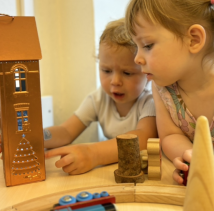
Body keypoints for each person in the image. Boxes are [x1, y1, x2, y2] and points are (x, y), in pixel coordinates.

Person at [125, 0, 214, 191]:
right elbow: (171, 136)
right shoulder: (164, 89)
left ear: (194, 39)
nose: (137, 58)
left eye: (147, 45)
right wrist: (190, 158)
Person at [44, 18, 157, 175]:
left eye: (127, 73)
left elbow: (143, 138)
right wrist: (34, 138)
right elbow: (66, 131)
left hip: (142, 175)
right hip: (113, 172)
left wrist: (93, 153)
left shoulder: (150, 100)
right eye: (106, 71)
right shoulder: (99, 98)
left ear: (146, 70)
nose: (115, 81)